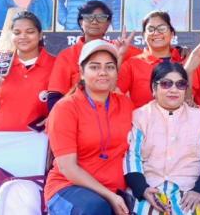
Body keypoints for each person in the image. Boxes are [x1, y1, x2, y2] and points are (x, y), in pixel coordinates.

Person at [45, 40, 134, 215]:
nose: (103, 72)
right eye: (94, 67)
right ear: (82, 72)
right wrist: (109, 196)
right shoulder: (66, 108)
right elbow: (68, 168)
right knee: (96, 208)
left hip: (115, 190)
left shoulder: (125, 104)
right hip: (70, 187)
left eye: (110, 67)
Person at [124, 62, 200, 214]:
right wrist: (142, 189)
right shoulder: (140, 116)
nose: (173, 90)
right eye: (166, 84)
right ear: (154, 88)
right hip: (150, 189)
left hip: (192, 188)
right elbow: (132, 156)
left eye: (180, 84)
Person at [48, 0, 140, 111]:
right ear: (81, 22)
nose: (94, 22)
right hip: (77, 114)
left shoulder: (120, 48)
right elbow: (54, 98)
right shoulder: (67, 55)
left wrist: (119, 55)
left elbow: (151, 59)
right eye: (88, 17)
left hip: (114, 114)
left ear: (108, 24)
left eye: (101, 18)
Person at [0, 11, 55, 131]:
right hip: (1, 136)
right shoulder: (0, 63)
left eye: (30, 32)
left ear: (40, 35)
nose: (23, 37)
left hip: (38, 137)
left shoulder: (55, 64)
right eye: (17, 33)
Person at [118, 11, 183, 108]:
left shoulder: (185, 60)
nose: (156, 33)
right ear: (144, 36)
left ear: (172, 33)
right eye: (150, 29)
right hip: (142, 117)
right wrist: (119, 56)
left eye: (162, 28)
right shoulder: (132, 64)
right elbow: (112, 94)